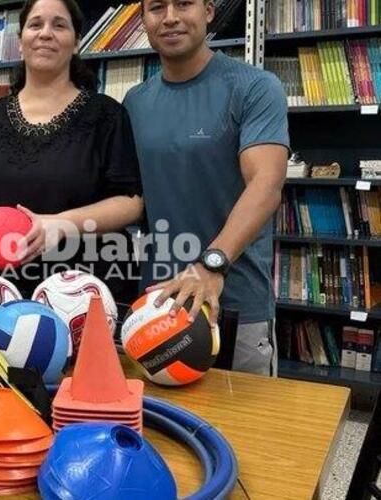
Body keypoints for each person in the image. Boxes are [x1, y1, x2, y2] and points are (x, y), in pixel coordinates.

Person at [122, 0, 290, 375]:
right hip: (157, 303)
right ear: (144, 20)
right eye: (156, 8)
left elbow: (266, 184)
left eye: (183, 4)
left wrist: (211, 264)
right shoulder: (135, 101)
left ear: (209, 11)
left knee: (243, 429)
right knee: (164, 427)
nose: (170, 18)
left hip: (234, 303)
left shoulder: (255, 87)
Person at [0, 0, 144, 302]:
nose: (45, 33)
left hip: (81, 294)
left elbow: (131, 202)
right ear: (21, 42)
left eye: (59, 25)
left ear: (76, 42)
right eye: (35, 24)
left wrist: (63, 224)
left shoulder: (107, 115)